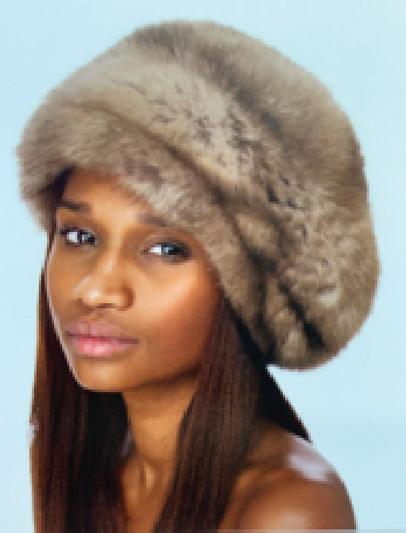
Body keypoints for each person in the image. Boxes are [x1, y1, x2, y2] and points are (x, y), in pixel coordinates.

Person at [17, 20, 379, 532]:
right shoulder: (81, 467)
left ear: (247, 291)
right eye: (79, 236)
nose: (95, 289)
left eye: (166, 249)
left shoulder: (288, 510)